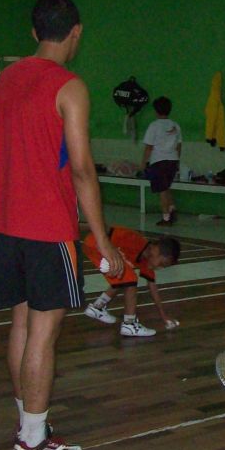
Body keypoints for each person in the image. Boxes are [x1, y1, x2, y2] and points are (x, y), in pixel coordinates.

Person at [0, 0, 124, 450]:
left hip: (5, 222)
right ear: (77, 32)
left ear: (33, 33)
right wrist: (102, 238)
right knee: (42, 334)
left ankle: (30, 425)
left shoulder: (7, 78)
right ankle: (30, 443)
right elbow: (83, 169)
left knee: (22, 325)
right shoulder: (71, 87)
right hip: (47, 226)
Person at [83, 226, 181, 337]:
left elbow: (153, 287)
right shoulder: (134, 239)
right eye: (162, 264)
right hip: (96, 245)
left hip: (99, 249)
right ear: (157, 251)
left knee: (123, 278)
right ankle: (129, 324)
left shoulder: (145, 260)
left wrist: (164, 316)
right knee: (130, 279)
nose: (159, 268)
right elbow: (108, 230)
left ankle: (97, 307)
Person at [139, 96, 182, 226]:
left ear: (156, 111)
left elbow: (149, 147)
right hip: (173, 160)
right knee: (166, 186)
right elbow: (179, 145)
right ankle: (172, 208)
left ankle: (166, 217)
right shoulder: (175, 125)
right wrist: (177, 160)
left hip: (159, 161)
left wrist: (143, 162)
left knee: (162, 189)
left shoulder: (154, 126)